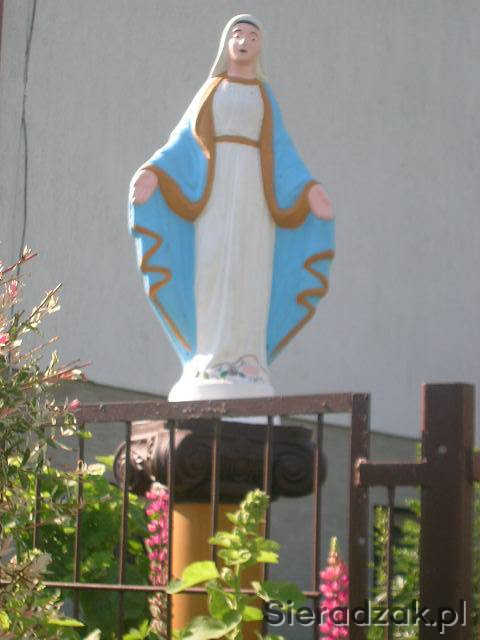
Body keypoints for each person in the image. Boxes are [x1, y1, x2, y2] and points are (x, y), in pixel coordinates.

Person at [129, 14, 335, 401]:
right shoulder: (212, 89)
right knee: (212, 264)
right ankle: (208, 354)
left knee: (249, 269)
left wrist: (308, 190)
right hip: (215, 191)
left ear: (261, 47)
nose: (244, 41)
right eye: (238, 35)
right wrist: (155, 172)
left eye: (252, 37)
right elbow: (183, 140)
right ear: (226, 43)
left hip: (256, 195)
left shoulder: (264, 96)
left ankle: (247, 358)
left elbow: (283, 151)